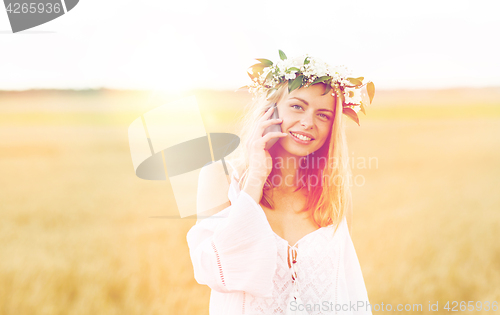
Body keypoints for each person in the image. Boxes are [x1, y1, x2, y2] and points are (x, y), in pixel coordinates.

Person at [186, 51, 374, 315]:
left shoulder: (329, 192)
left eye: (323, 115)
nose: (308, 122)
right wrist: (255, 179)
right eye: (297, 106)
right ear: (269, 111)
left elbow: (349, 291)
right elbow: (211, 269)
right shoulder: (220, 177)